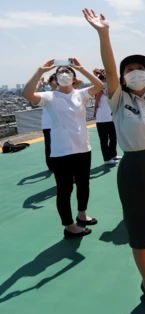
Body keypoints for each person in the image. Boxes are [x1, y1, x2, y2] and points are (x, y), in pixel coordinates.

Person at [83, 7, 145, 308]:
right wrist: (103, 33)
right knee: (140, 228)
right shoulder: (118, 99)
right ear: (124, 79)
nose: (135, 72)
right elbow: (110, 71)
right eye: (130, 70)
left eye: (140, 68)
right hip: (133, 168)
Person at [22, 58, 103, 238]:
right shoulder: (50, 97)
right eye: (60, 72)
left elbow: (98, 85)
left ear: (74, 78)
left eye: (67, 72)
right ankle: (69, 225)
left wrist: (81, 68)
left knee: (83, 184)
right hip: (61, 151)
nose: (64, 74)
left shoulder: (80, 94)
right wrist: (40, 71)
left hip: (83, 147)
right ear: (55, 79)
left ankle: (82, 214)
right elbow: (27, 93)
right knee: (65, 189)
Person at [93, 69, 120, 165]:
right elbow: (96, 100)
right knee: (104, 139)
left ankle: (113, 154)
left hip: (111, 118)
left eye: (106, 81)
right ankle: (107, 159)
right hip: (101, 119)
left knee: (113, 137)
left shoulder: (110, 91)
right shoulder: (98, 91)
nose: (105, 83)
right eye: (103, 81)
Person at [37, 74, 57, 171]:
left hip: (59, 123)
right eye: (52, 81)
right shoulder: (45, 94)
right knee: (49, 146)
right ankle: (51, 166)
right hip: (48, 124)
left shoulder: (61, 92)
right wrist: (40, 86)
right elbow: (33, 97)